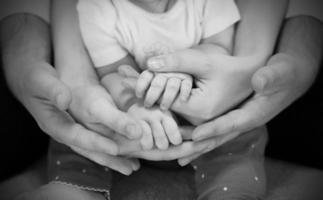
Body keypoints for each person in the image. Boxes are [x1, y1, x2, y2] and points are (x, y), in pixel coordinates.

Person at [0, 0, 322, 199]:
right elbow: (112, 72)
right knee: (79, 133)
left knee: (240, 138)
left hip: (203, 115)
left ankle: (233, 191)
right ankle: (74, 189)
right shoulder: (100, 8)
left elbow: (218, 47)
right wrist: (132, 107)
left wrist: (184, 70)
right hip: (128, 126)